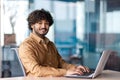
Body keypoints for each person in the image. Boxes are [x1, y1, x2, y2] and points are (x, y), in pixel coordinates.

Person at [19, 9, 89, 77]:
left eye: (46, 23)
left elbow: (61, 63)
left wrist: (75, 68)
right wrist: (65, 72)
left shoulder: (50, 44)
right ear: (32, 25)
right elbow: (37, 70)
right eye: (40, 23)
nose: (43, 26)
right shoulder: (26, 46)